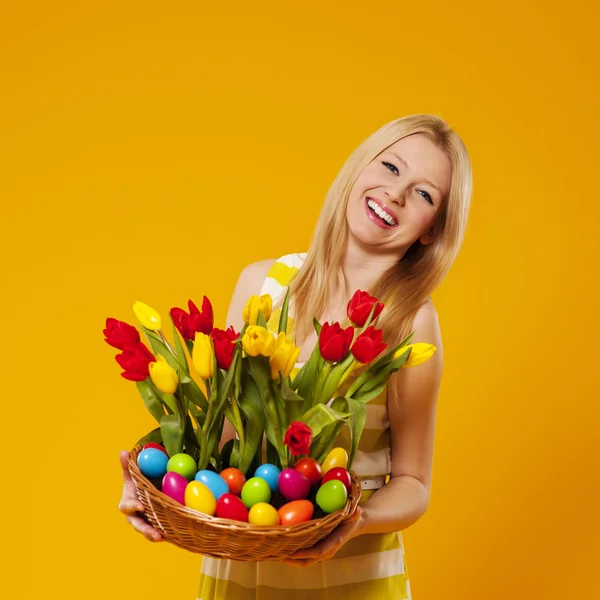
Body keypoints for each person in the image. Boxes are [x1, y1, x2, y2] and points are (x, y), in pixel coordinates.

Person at [118, 113, 472, 599]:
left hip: (354, 580)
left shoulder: (409, 321)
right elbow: (220, 450)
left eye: (424, 194)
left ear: (432, 230)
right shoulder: (262, 285)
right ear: (360, 169)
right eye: (390, 167)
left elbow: (413, 483)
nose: (395, 193)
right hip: (242, 573)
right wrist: (157, 485)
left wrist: (353, 519)